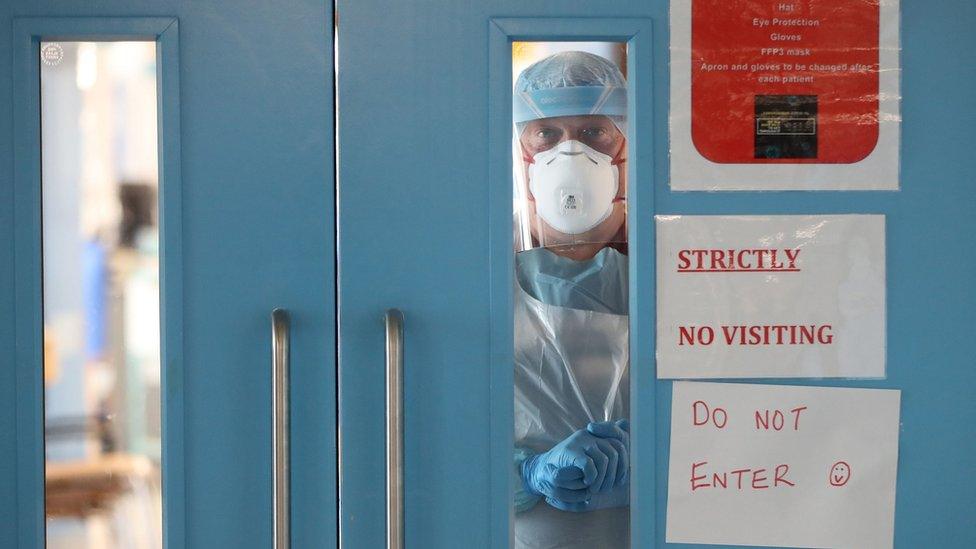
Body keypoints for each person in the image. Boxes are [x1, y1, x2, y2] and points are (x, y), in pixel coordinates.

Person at [512, 50, 631, 548]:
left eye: (592, 132)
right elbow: (443, 428)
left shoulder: (676, 264)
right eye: (547, 133)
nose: (570, 153)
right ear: (522, 148)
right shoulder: (480, 267)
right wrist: (527, 473)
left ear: (626, 144)